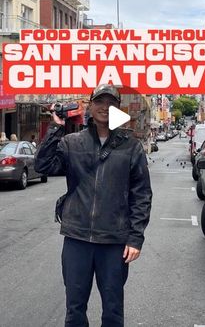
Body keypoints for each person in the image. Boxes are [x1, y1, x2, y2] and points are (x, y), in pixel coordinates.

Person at [34, 84, 152, 327]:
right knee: (74, 310)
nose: (105, 108)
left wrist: (135, 238)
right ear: (90, 106)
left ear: (119, 108)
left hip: (114, 242)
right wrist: (56, 126)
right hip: (77, 238)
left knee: (113, 311)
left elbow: (141, 195)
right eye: (99, 101)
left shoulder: (131, 147)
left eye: (111, 103)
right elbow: (43, 166)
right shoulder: (71, 142)